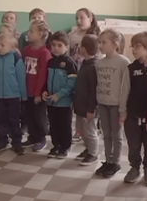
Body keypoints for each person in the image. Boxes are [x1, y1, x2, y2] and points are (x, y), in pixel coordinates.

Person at [119, 32, 147, 184]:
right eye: (133, 46)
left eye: (137, 46)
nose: (133, 49)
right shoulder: (130, 68)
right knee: (133, 145)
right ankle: (134, 167)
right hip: (132, 115)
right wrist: (123, 112)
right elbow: (125, 91)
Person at [94, 28, 130, 178]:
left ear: (115, 44)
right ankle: (108, 161)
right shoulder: (99, 63)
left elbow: (125, 87)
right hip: (102, 103)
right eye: (99, 42)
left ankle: (115, 162)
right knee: (106, 134)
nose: (100, 45)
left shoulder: (123, 62)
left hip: (116, 104)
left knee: (116, 134)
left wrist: (123, 109)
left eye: (104, 42)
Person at [0, 33, 26, 155]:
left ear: (12, 47)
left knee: (14, 120)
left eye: (2, 45)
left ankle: (17, 143)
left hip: (13, 96)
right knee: (0, 120)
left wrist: (23, 95)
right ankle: (1, 142)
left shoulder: (16, 58)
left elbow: (21, 78)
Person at [43, 31, 77, 159]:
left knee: (64, 125)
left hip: (64, 101)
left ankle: (65, 147)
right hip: (51, 101)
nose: (56, 48)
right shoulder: (50, 62)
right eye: (54, 45)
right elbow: (47, 79)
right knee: (53, 124)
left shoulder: (69, 63)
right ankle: (56, 145)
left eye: (59, 45)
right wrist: (45, 91)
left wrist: (59, 94)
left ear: (66, 47)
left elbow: (72, 82)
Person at [21, 20, 52, 152]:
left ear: (40, 34)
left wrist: (38, 93)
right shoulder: (26, 50)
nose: (29, 33)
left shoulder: (44, 53)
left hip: (37, 92)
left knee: (39, 116)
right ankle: (32, 136)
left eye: (32, 31)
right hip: (26, 89)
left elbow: (43, 75)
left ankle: (41, 138)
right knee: (28, 115)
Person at [73, 35, 100, 166]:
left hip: (88, 108)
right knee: (82, 131)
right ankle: (88, 149)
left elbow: (94, 91)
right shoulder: (85, 63)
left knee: (90, 132)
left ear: (83, 49)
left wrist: (91, 109)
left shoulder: (93, 67)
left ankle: (93, 153)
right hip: (80, 106)